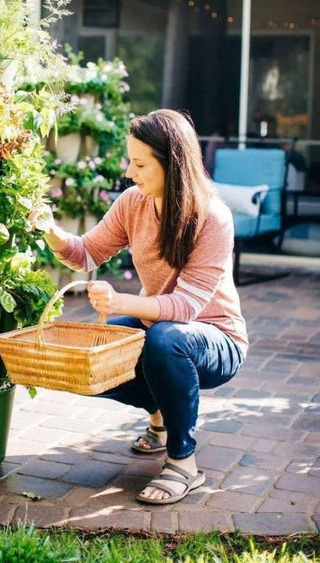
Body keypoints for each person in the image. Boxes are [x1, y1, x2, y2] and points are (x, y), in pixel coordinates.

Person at [32, 109, 247, 505]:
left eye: (141, 163)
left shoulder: (213, 218)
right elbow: (86, 253)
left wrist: (121, 300)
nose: (131, 172)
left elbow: (186, 306)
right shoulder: (134, 203)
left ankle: (183, 462)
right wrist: (50, 229)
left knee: (164, 339)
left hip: (216, 339)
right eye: (131, 161)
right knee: (95, 350)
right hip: (162, 330)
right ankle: (162, 416)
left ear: (172, 162)